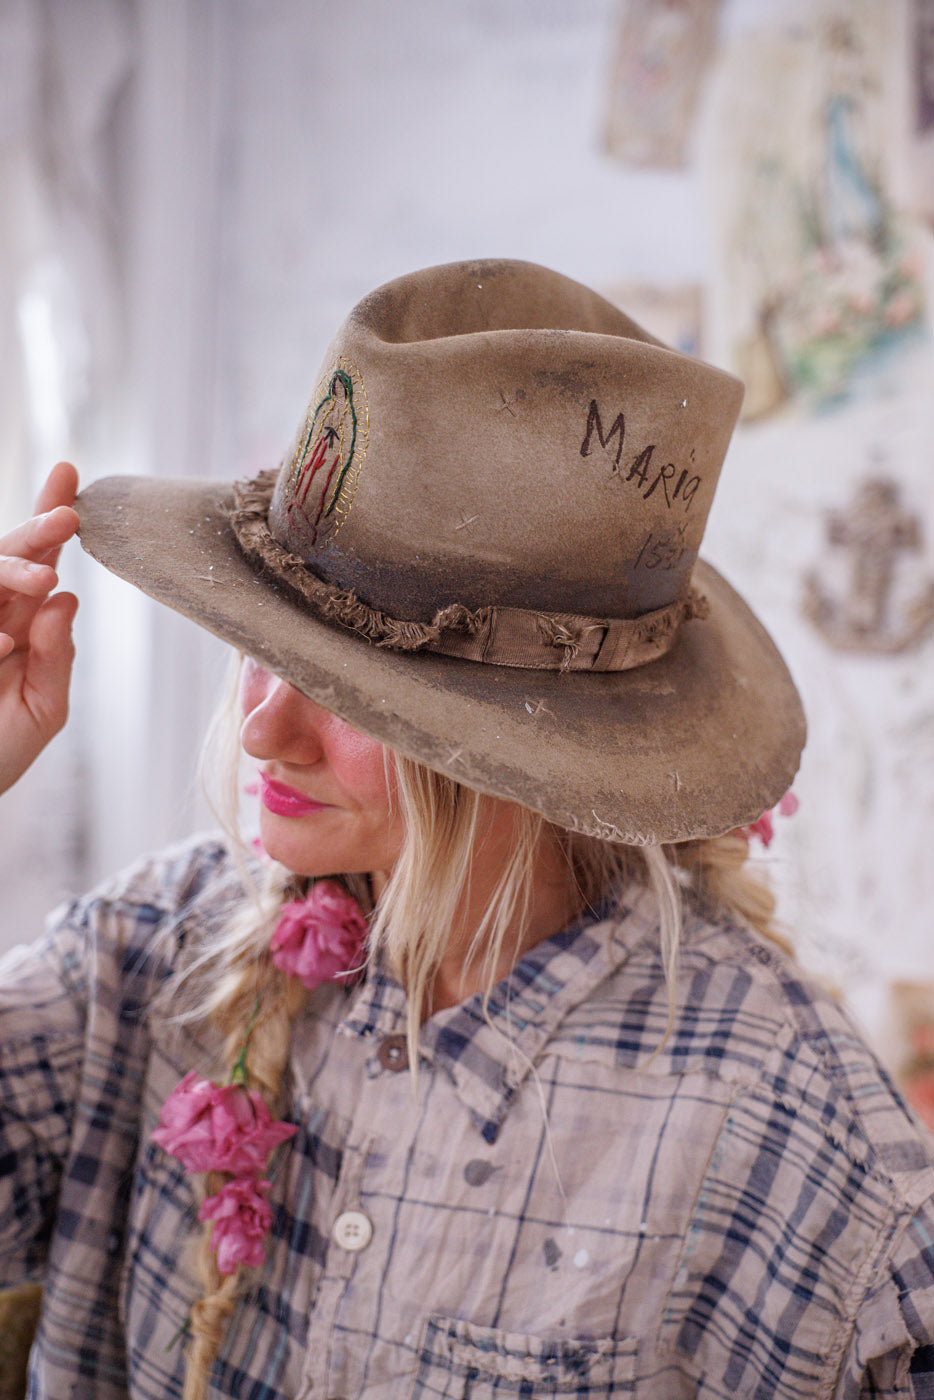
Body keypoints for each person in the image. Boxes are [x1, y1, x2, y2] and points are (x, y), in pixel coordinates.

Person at [1, 259, 933, 1400]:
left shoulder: (786, 1131)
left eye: (345, 691)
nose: (263, 731)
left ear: (534, 742)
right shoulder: (153, 950)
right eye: (264, 649)